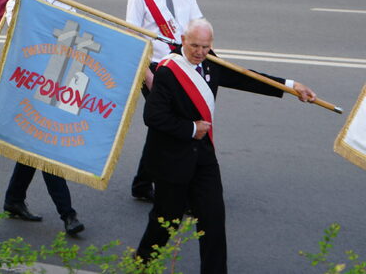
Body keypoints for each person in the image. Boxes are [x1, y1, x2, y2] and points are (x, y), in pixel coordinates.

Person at [135, 18, 316, 274]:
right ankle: (140, 266)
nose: (200, 52)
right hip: (171, 161)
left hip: (204, 159)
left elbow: (245, 78)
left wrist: (290, 86)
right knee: (165, 223)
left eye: (205, 47)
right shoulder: (167, 70)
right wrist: (190, 129)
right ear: (183, 41)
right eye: (195, 46)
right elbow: (153, 117)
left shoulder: (210, 61)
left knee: (213, 222)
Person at [2, 0, 84, 236]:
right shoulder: (16, 5)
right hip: (28, 90)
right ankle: (68, 215)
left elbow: (75, 47)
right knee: (46, 150)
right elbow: (26, 40)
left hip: (56, 87)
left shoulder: (65, 4)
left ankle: (14, 199)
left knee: (34, 149)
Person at [126, 0, 203, 202]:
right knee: (176, 127)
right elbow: (133, 39)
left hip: (184, 68)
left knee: (163, 130)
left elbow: (197, 28)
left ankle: (142, 183)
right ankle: (179, 187)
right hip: (156, 71)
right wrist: (147, 76)